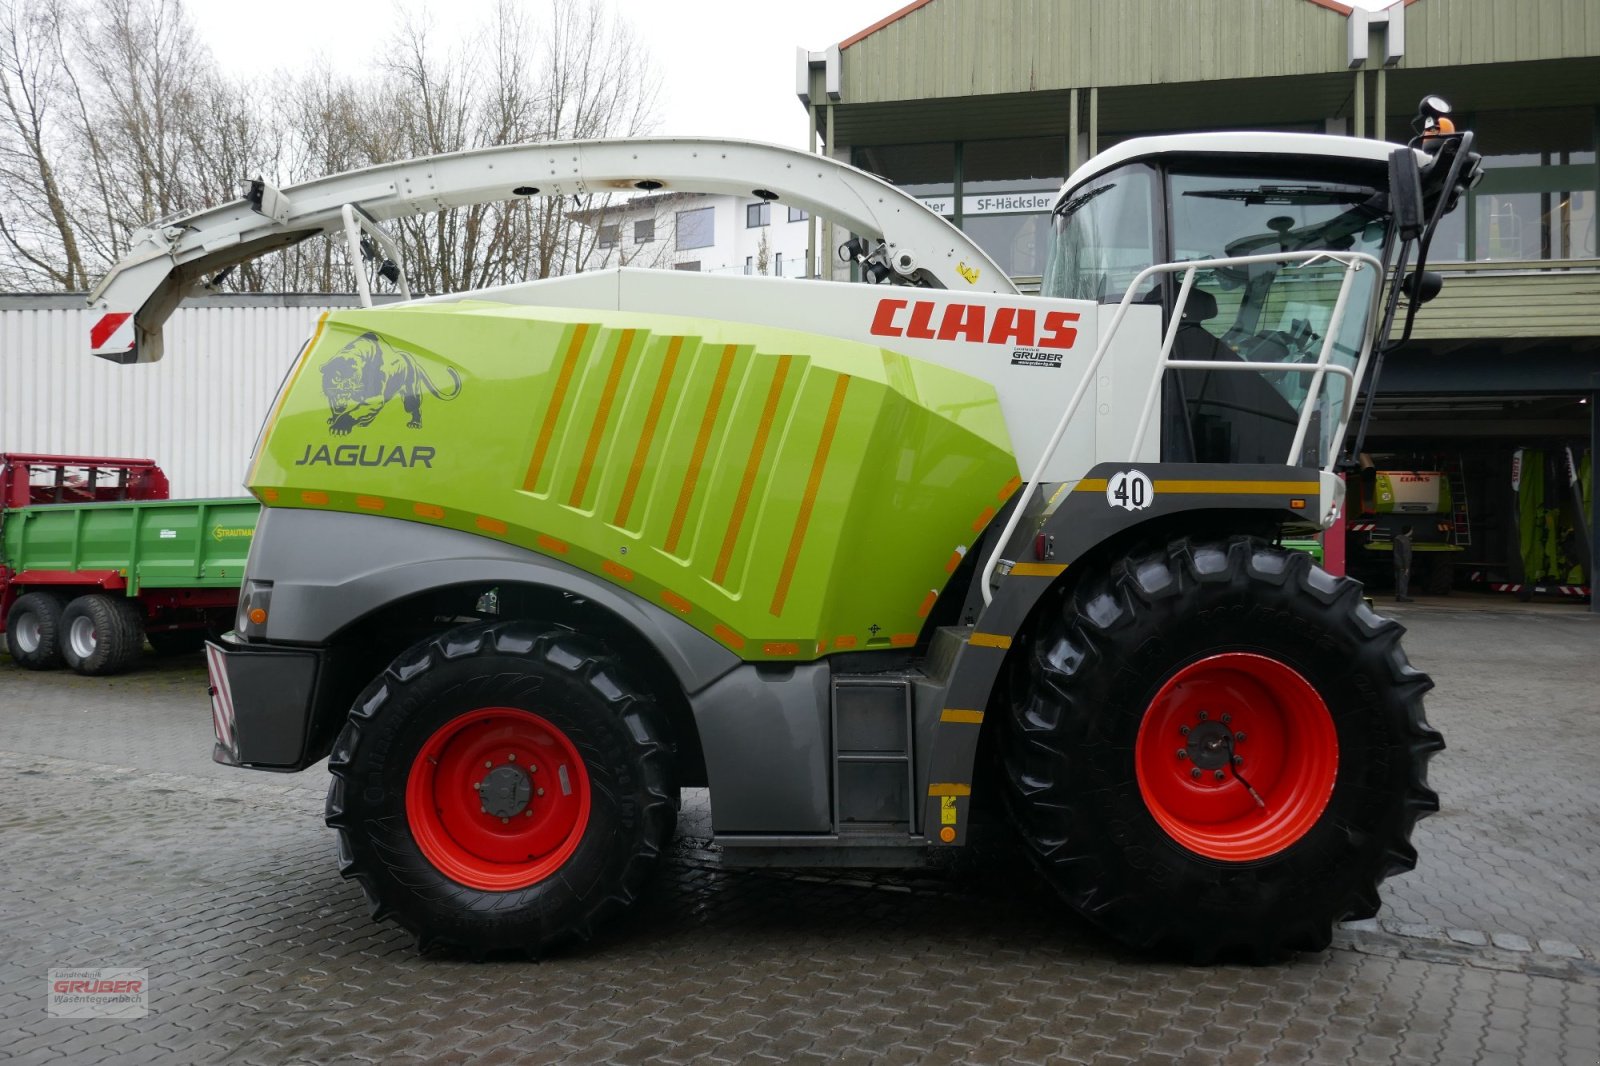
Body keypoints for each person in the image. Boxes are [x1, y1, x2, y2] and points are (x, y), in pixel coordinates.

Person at [1393, 524, 1414, 602]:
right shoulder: (1405, 541)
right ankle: (1403, 596)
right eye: (1412, 530)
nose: (1412, 531)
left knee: (1398, 579)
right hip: (1403, 564)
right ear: (1409, 531)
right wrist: (1407, 567)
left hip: (1397, 562)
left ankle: (1398, 596)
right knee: (1403, 580)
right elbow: (1406, 554)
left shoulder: (1397, 539)